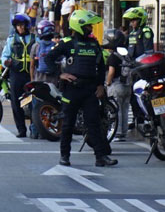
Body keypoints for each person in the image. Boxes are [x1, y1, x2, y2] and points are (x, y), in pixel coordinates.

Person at [43, 9, 117, 166]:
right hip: (72, 90)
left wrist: (100, 85)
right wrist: (59, 74)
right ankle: (65, 156)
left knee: (94, 123)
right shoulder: (67, 43)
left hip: (90, 89)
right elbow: (48, 59)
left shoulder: (93, 44)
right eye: (88, 26)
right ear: (79, 26)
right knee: (68, 124)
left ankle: (100, 157)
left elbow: (101, 66)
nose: (90, 29)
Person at [1, 14, 36, 138]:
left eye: (22, 25)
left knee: (33, 102)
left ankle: (34, 129)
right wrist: (6, 62)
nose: (20, 28)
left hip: (30, 75)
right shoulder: (11, 39)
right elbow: (5, 56)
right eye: (18, 26)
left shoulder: (34, 39)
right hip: (16, 74)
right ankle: (21, 129)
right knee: (16, 103)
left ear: (26, 26)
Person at [103, 28, 131, 140]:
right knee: (125, 109)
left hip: (116, 85)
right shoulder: (126, 54)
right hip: (127, 85)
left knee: (116, 110)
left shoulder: (113, 56)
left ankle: (118, 132)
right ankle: (124, 132)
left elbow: (111, 72)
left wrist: (107, 83)